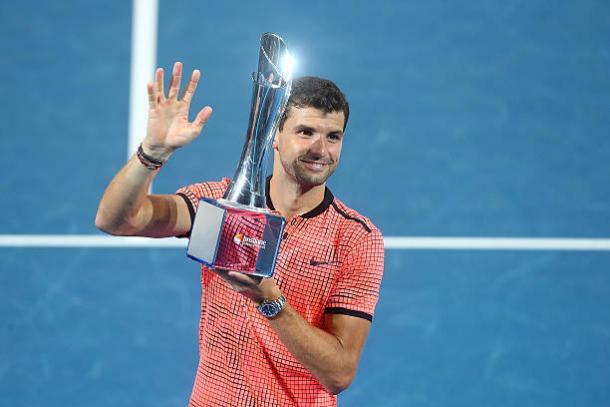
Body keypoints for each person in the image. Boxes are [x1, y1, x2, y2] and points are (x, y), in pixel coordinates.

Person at [96, 62, 384, 406]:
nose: (321, 149)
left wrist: (270, 300)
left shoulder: (355, 239)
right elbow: (118, 220)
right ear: (275, 136)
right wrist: (151, 155)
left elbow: (339, 374)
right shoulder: (221, 207)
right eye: (305, 132)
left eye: (333, 136)